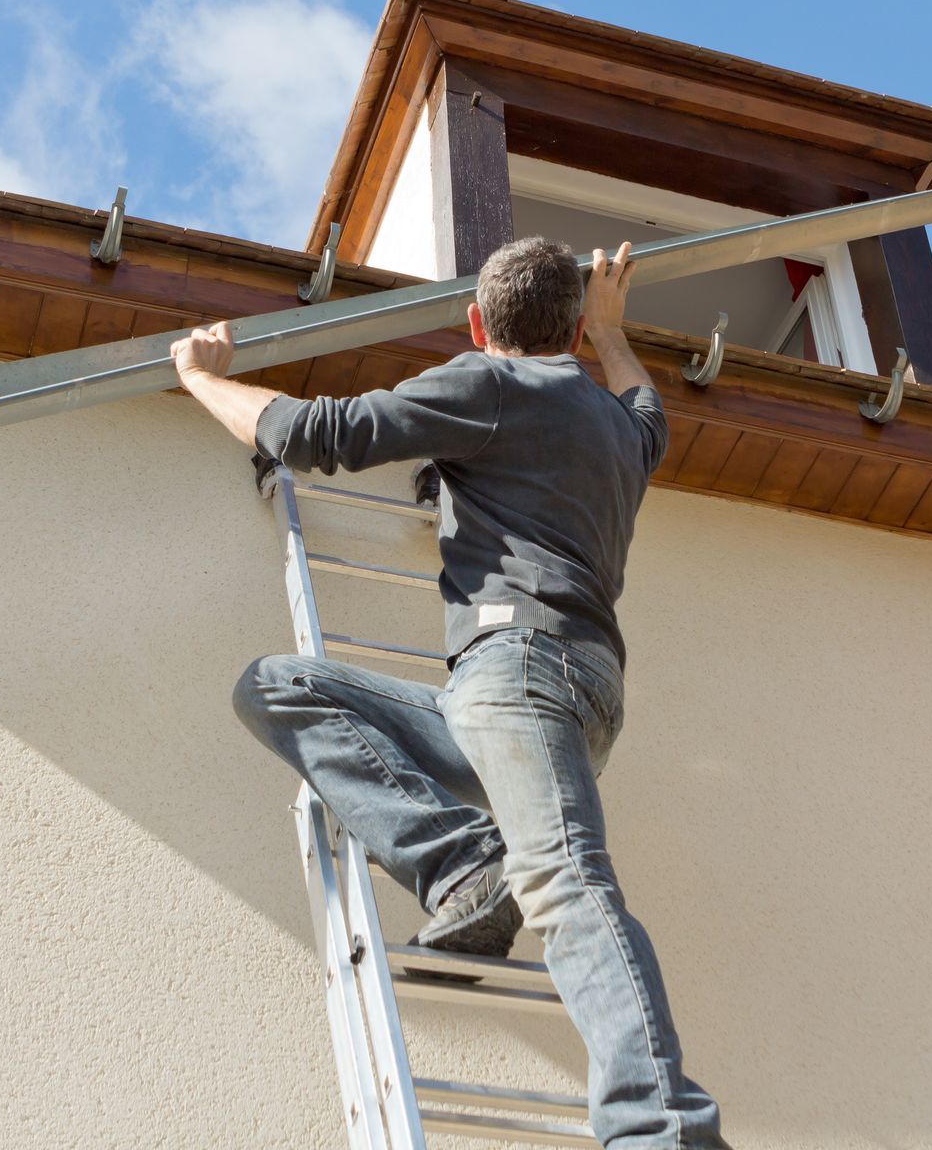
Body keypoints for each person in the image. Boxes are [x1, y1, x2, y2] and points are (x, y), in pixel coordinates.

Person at [169, 237, 727, 1150]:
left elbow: (318, 434)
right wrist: (615, 333)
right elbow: (648, 412)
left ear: (476, 327)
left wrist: (200, 377)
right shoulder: (615, 427)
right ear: (576, 332)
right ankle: (465, 868)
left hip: (519, 673)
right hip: (554, 699)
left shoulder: (491, 386)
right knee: (280, 686)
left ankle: (662, 1129)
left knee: (566, 883)